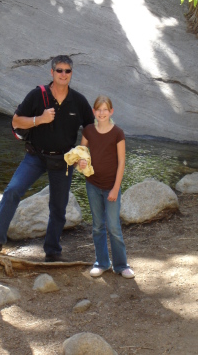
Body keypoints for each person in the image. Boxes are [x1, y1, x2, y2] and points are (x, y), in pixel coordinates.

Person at [0, 55, 94, 262]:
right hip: (35, 156)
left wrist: (82, 151)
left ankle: (53, 252)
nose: (63, 74)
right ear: (52, 72)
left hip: (63, 160)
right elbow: (17, 121)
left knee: (58, 206)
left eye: (67, 71)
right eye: (59, 70)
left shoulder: (78, 101)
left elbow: (90, 128)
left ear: (71, 73)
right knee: (12, 191)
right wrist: (40, 119)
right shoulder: (38, 95)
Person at [78, 95, 135, 278]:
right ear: (94, 112)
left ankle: (121, 265)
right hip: (93, 185)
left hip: (111, 186)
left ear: (111, 111)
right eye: (98, 109)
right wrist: (81, 163)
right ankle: (102, 262)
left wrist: (116, 188)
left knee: (114, 227)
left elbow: (121, 162)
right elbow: (81, 154)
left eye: (105, 109)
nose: (101, 113)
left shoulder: (117, 133)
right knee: (97, 226)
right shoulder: (88, 131)